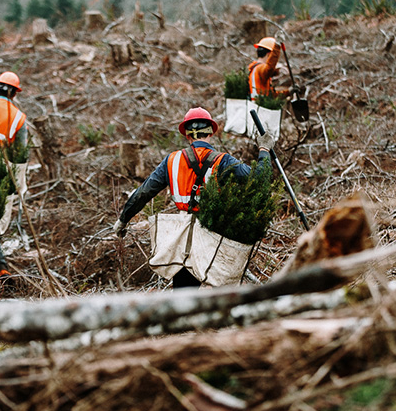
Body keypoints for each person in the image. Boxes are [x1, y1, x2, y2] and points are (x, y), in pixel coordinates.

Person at [111, 107, 274, 288]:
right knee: (212, 290)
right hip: (212, 236)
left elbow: (143, 192)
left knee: (183, 291)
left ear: (187, 136)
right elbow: (261, 181)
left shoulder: (172, 161)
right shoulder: (223, 161)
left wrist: (123, 219)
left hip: (181, 238)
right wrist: (264, 149)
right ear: (211, 132)